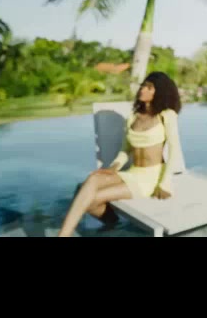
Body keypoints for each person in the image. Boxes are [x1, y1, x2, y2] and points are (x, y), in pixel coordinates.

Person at [56, 71, 181, 237]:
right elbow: (125, 149)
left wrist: (165, 183)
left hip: (151, 178)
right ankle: (106, 224)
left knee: (92, 198)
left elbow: (174, 151)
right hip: (133, 172)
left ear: (160, 92)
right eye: (143, 85)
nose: (142, 89)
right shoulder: (133, 118)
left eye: (149, 87)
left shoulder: (166, 116)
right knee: (93, 179)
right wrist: (113, 168)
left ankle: (73, 232)